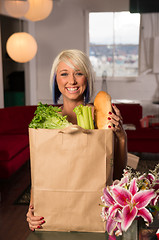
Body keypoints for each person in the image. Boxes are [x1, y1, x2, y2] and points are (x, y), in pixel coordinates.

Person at [26, 49, 127, 231]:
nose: (71, 81)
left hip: (96, 215)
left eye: (78, 73)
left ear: (87, 79)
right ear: (56, 80)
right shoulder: (47, 119)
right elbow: (40, 172)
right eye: (64, 74)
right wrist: (32, 209)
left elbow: (116, 174)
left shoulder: (101, 115)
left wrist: (120, 135)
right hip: (53, 217)